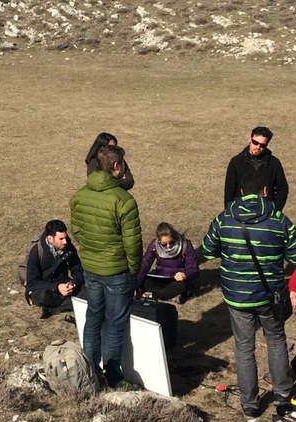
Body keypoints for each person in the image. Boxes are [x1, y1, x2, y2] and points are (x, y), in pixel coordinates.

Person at [200, 184, 296, 422]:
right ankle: (282, 394)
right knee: (276, 339)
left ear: (240, 191)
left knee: (243, 346)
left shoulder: (225, 219)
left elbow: (208, 250)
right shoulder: (279, 219)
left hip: (237, 295)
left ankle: (250, 405)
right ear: (264, 190)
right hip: (270, 294)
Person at [70, 143, 143, 389]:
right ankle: (112, 376)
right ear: (116, 166)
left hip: (91, 268)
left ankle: (89, 370)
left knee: (93, 318)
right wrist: (134, 271)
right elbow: (133, 245)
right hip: (117, 272)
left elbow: (77, 232)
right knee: (114, 323)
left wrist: (90, 251)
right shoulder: (124, 201)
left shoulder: (80, 195)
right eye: (123, 164)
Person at [24, 219, 85, 318]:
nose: (65, 241)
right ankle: (70, 303)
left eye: (65, 237)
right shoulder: (36, 251)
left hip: (64, 284)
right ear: (50, 238)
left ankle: (55, 308)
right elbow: (32, 283)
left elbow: (78, 271)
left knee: (89, 289)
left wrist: (73, 284)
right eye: (61, 239)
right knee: (42, 297)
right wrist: (56, 287)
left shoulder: (68, 247)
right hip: (44, 287)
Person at [224, 126, 289, 210]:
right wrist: (229, 212)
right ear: (249, 140)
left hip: (266, 213)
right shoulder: (236, 162)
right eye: (255, 142)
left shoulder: (274, 163)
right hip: (241, 211)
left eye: (262, 145)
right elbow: (229, 191)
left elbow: (282, 189)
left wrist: (276, 210)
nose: (258, 147)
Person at [137, 222, 200, 302]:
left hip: (178, 281)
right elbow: (144, 265)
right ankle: (170, 296)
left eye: (171, 242)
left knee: (181, 286)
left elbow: (194, 270)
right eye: (164, 244)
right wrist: (136, 283)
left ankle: (154, 295)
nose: (168, 246)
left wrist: (185, 275)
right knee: (145, 280)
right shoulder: (154, 246)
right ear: (159, 241)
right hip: (161, 279)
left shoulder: (185, 245)